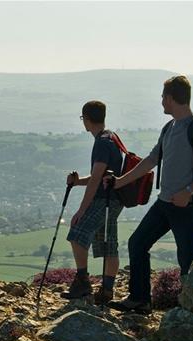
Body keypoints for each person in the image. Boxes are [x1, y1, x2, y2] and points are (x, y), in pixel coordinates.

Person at [106, 75, 193, 313]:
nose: (161, 102)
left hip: (188, 206)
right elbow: (151, 159)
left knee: (188, 261)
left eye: (163, 97)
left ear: (170, 98)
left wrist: (189, 191)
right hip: (164, 203)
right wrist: (120, 182)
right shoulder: (168, 128)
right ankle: (140, 300)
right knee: (137, 243)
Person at [61, 100, 124, 305]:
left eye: (83, 119)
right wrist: (78, 182)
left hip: (103, 199)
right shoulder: (112, 137)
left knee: (77, 232)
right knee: (109, 245)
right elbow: (101, 174)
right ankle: (106, 290)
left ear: (87, 119)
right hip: (115, 198)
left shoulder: (101, 143)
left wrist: (81, 210)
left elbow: (97, 178)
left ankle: (82, 282)